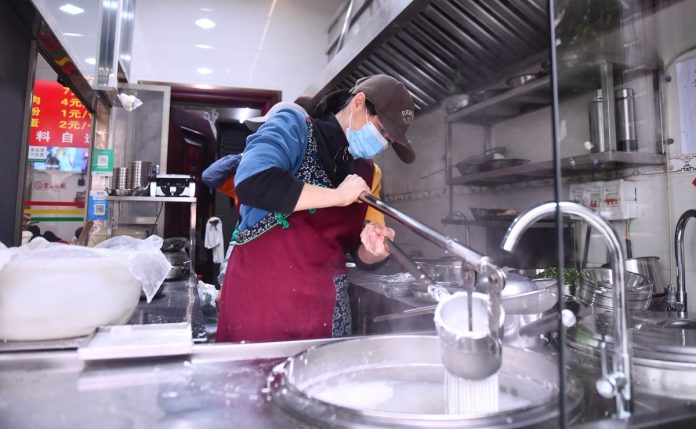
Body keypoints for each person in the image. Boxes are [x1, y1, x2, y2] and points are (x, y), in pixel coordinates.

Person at [216, 74, 416, 343]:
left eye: (388, 140)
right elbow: (253, 181)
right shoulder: (294, 128)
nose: (381, 143)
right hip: (260, 307)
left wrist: (374, 250)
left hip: (325, 315)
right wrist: (337, 196)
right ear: (358, 103)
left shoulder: (369, 173)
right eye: (381, 131)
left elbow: (358, 252)